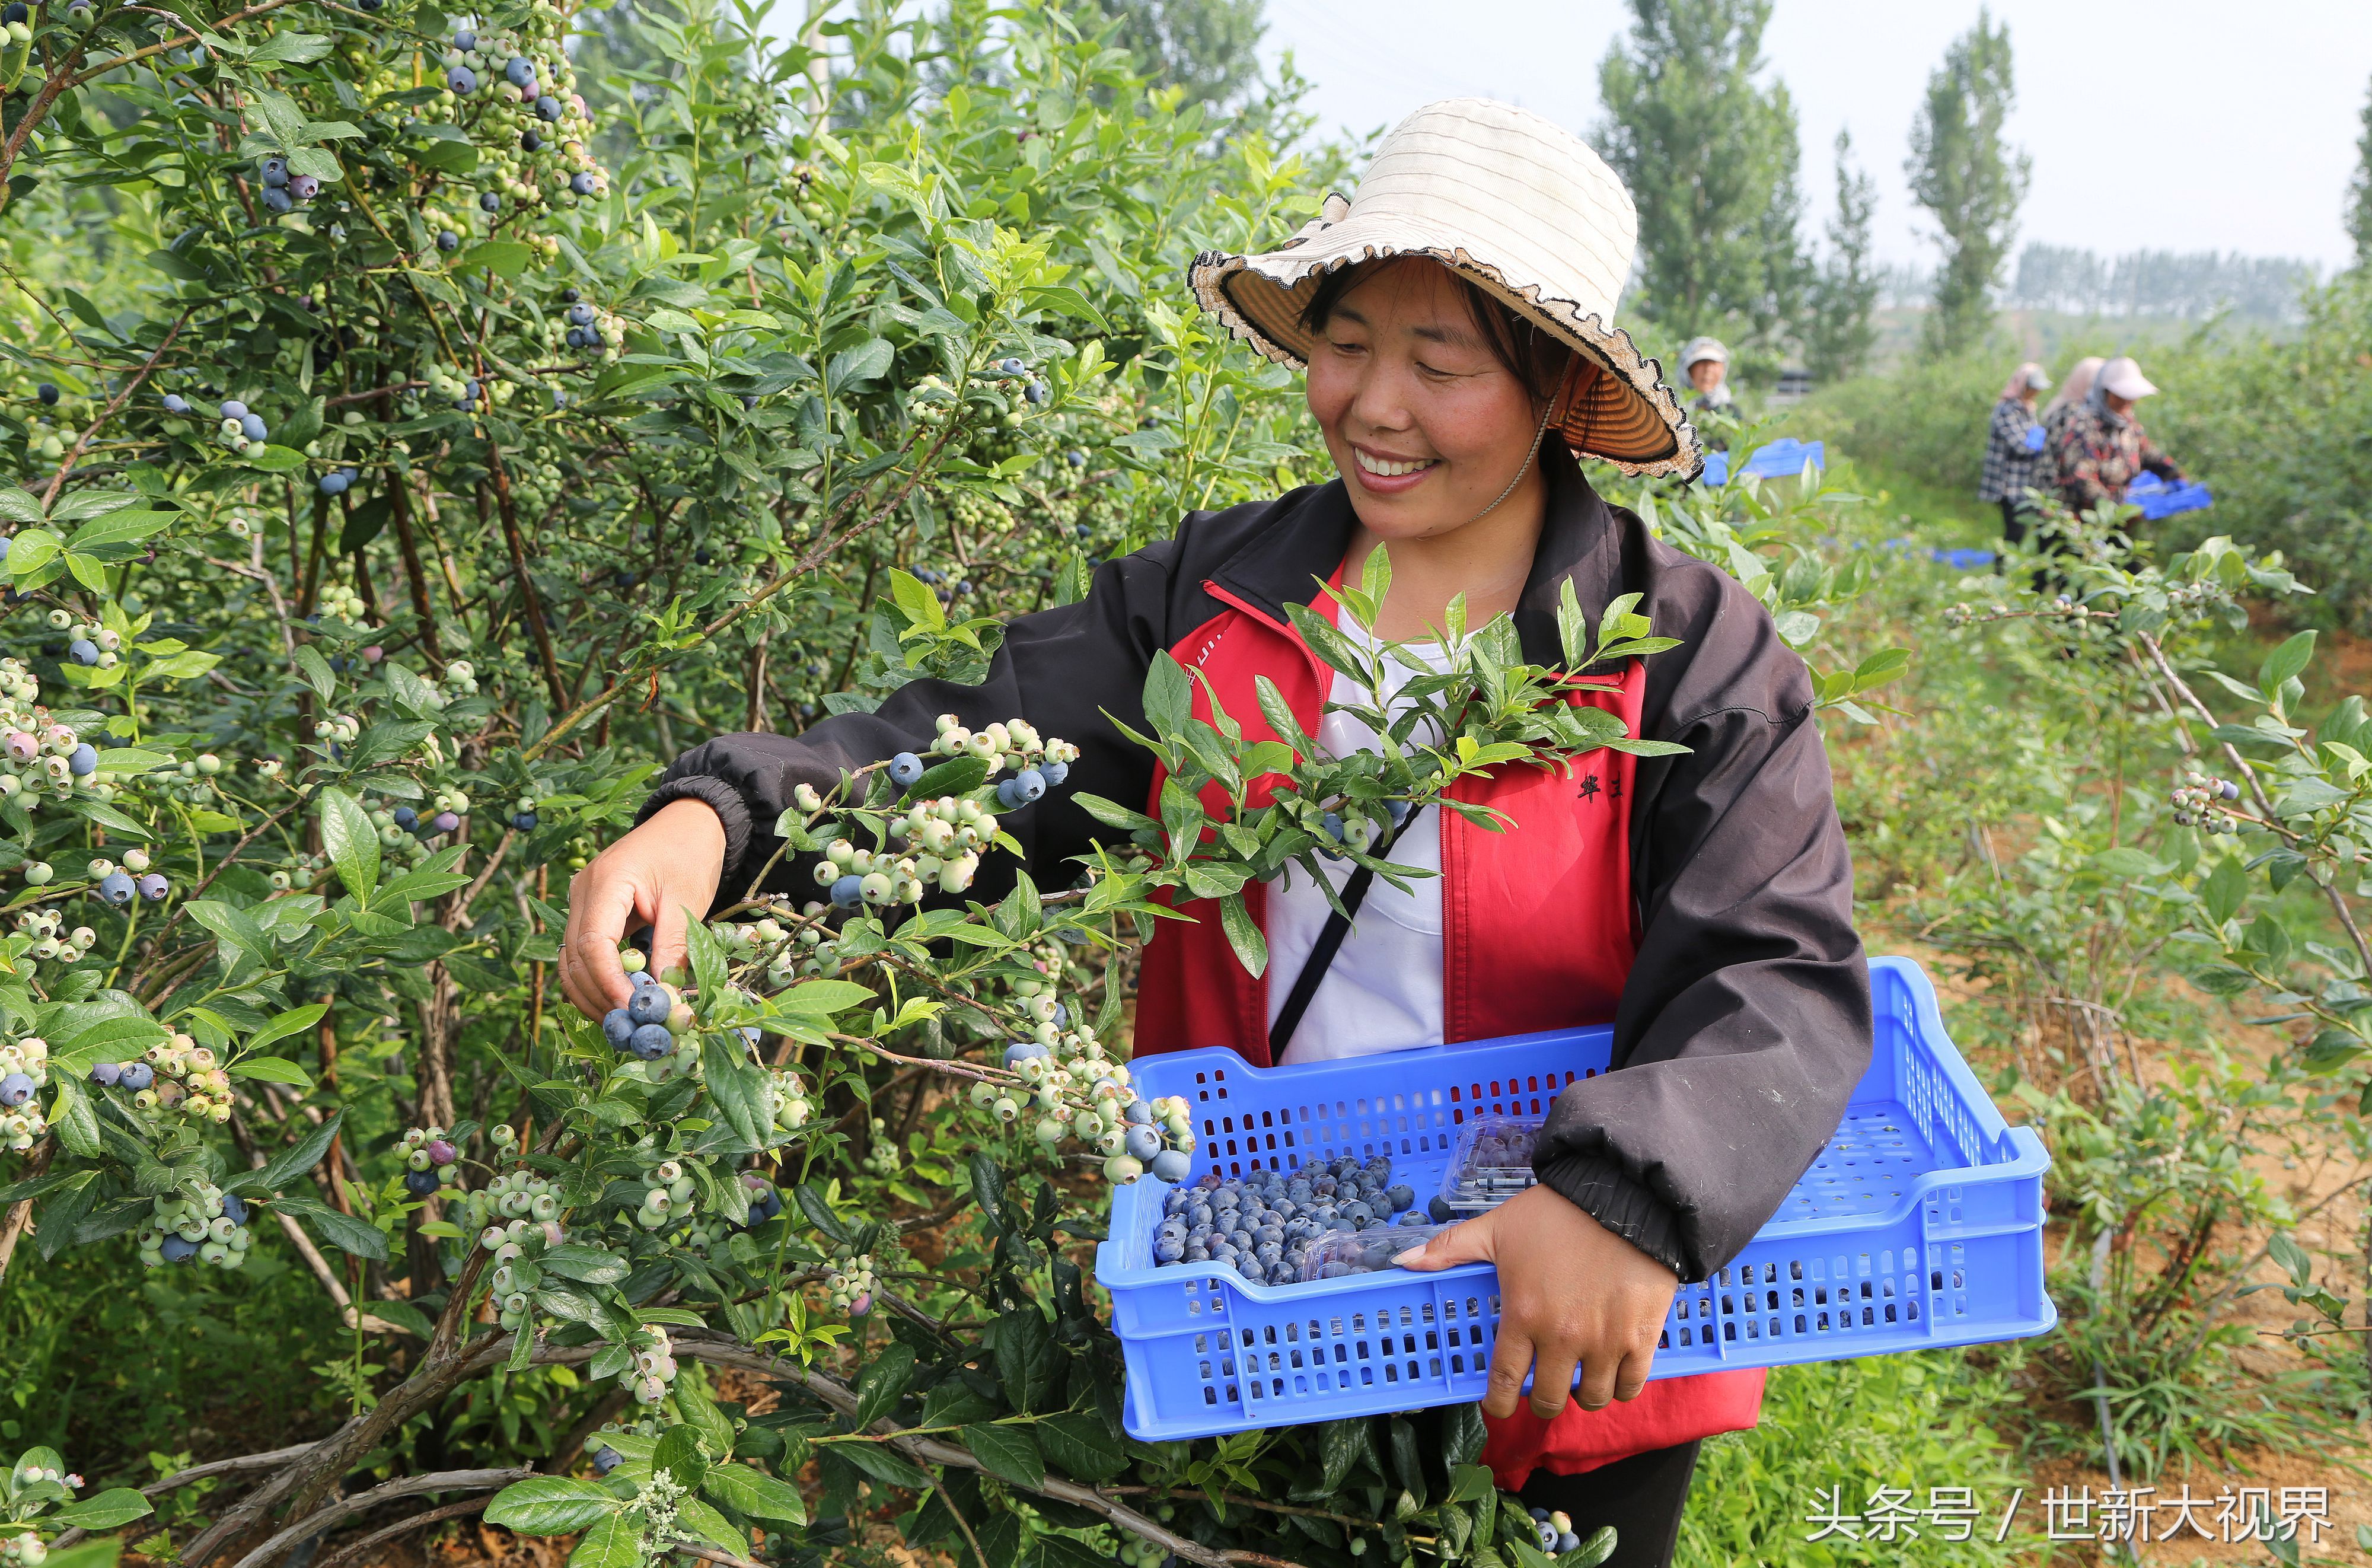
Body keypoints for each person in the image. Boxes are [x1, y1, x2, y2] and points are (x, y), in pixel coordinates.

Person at [559, 98, 1869, 1568]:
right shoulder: (1217, 596)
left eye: (1439, 363)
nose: (1373, 403)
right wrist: (723, 820)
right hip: (1267, 1284)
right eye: (1347, 342)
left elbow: (1775, 973)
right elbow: (973, 754)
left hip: (1560, 1323)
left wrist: (1626, 1194)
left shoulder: (1681, 655)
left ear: (1558, 383)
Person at [2052, 355, 2183, 514]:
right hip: (2081, 520)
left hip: (2114, 518)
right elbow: (2081, 479)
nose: (2126, 401)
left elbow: (2147, 452)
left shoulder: (2128, 424)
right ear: (2104, 393)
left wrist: (2171, 473)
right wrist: (2116, 508)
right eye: (2120, 396)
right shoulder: (2084, 426)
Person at [1976, 361, 2051, 544]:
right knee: (2015, 531)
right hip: (2008, 483)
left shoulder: (2028, 409)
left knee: (2027, 529)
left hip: (2025, 482)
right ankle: (2001, 571)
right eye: (2033, 388)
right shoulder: (2006, 410)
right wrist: (2045, 447)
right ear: (2022, 386)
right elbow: (2021, 446)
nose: (2036, 393)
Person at [1676, 336, 1733, 416]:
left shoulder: (1730, 413)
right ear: (1688, 369)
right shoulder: (1671, 408)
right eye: (1702, 362)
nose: (1708, 369)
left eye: (1714, 363)